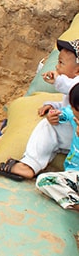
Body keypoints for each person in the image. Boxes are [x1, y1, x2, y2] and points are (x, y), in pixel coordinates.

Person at [0, 39, 79, 181]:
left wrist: (58, 81)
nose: (57, 67)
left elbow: (73, 89)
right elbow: (70, 103)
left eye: (61, 63)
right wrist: (54, 107)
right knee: (50, 137)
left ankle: (29, 164)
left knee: (47, 128)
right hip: (72, 136)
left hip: (74, 134)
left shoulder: (74, 84)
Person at [35, 82, 79, 211]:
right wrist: (53, 115)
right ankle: (76, 204)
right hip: (72, 176)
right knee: (44, 180)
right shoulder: (74, 115)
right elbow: (63, 114)